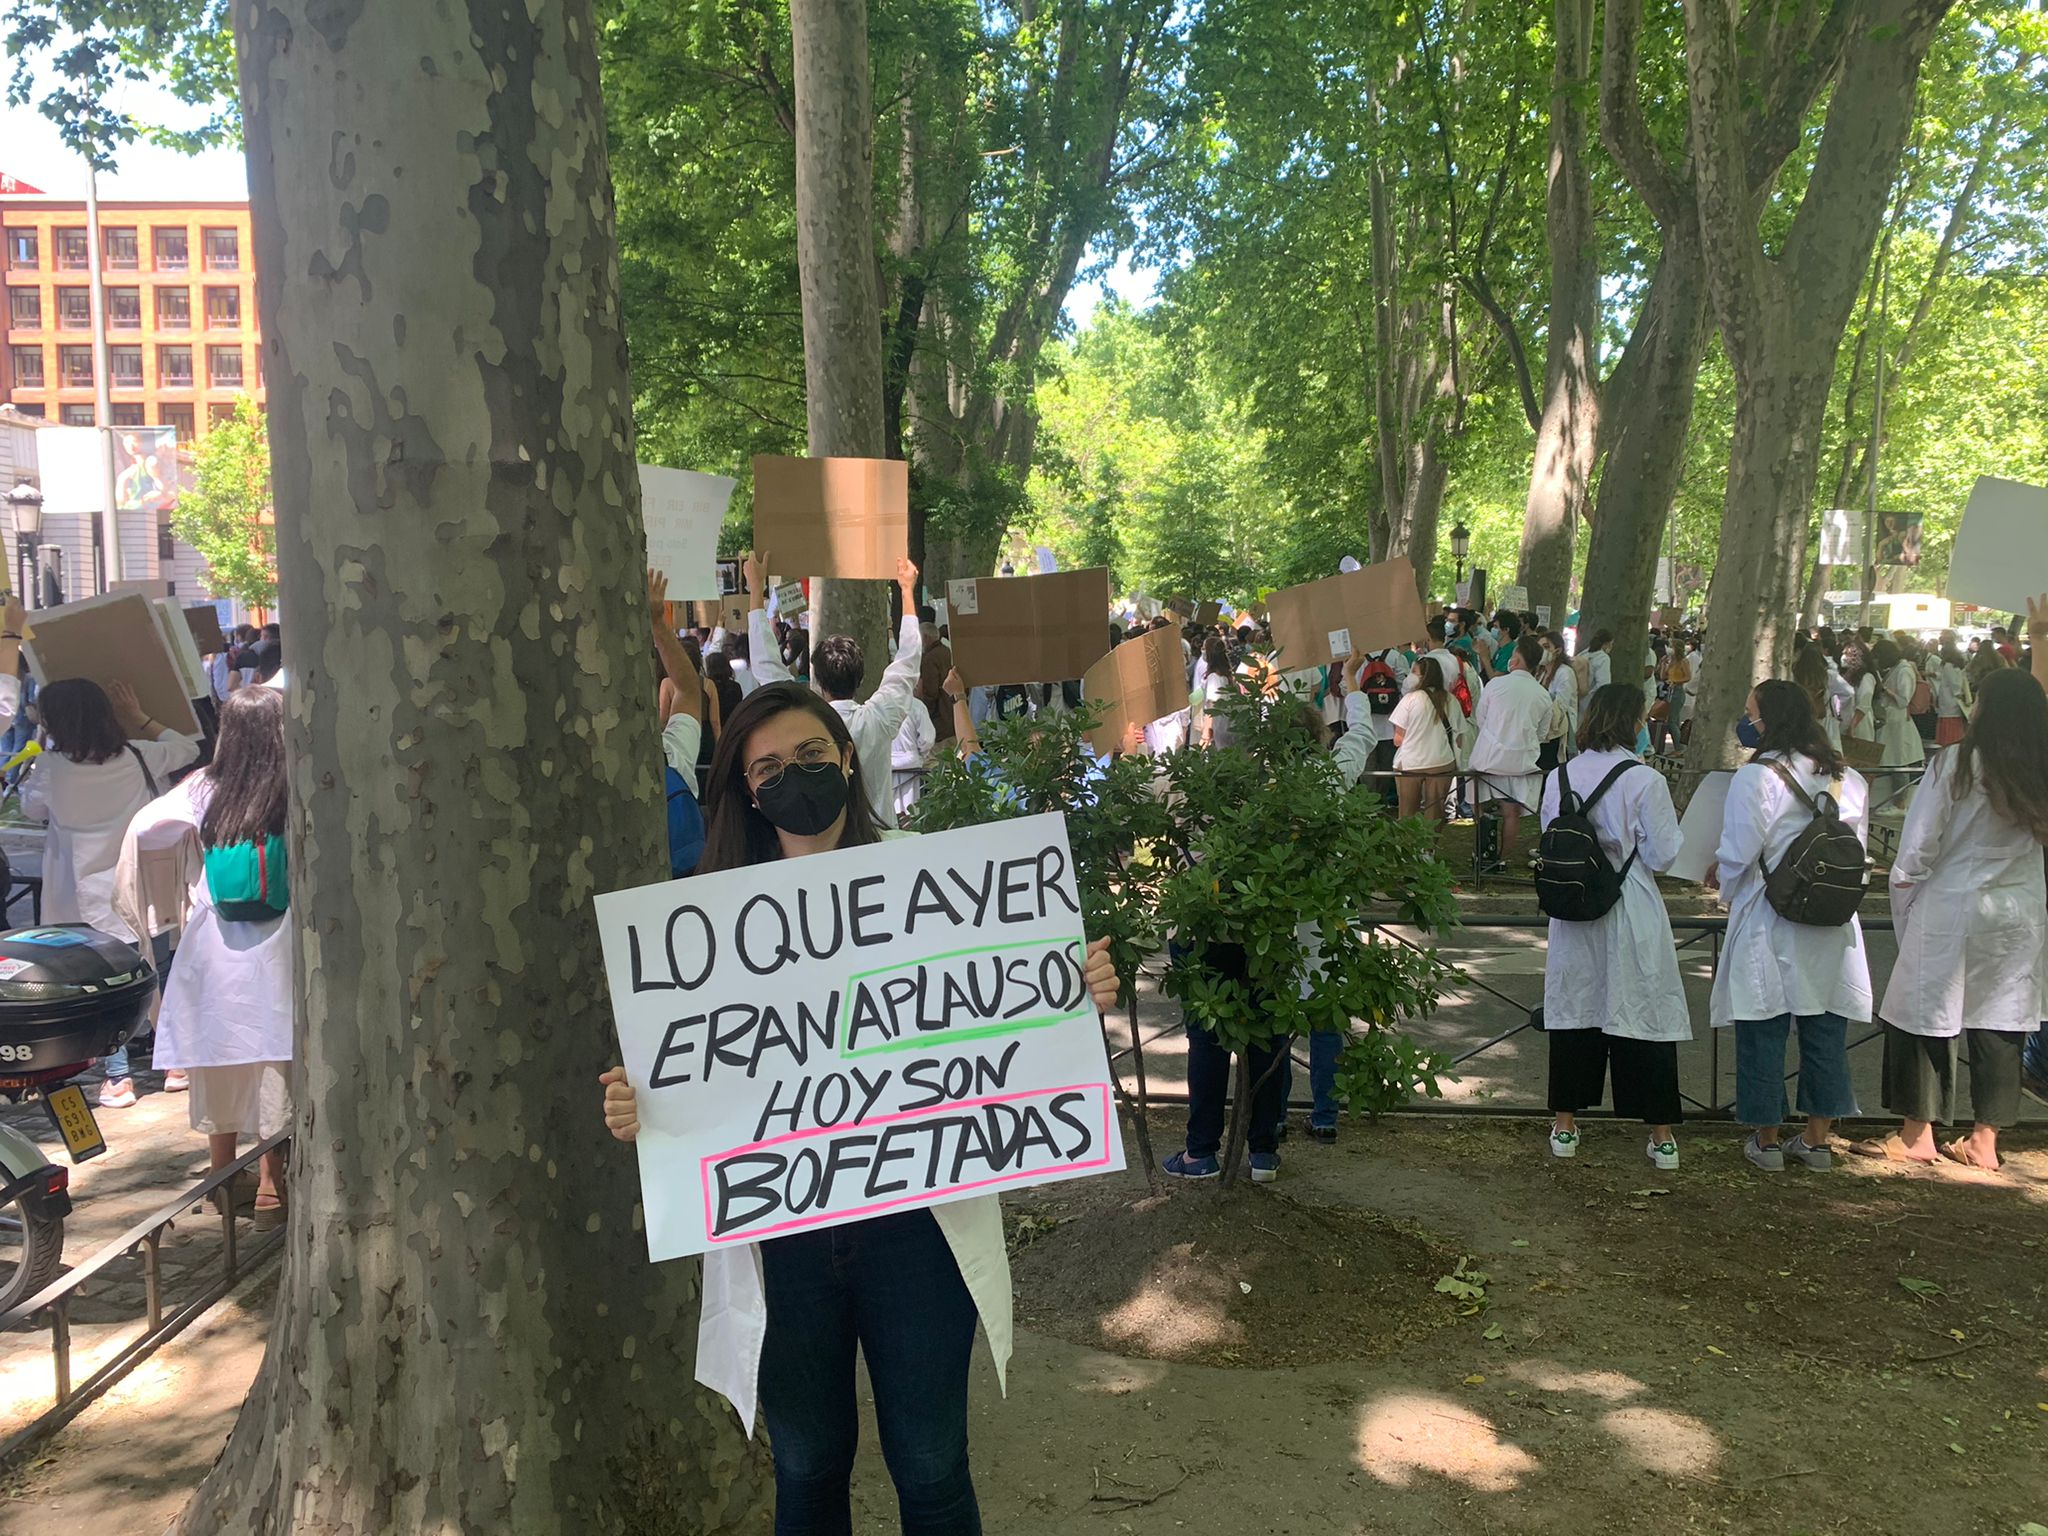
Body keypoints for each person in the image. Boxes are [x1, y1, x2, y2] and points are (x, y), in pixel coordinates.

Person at [597, 683, 1121, 1533]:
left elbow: (1007, 1011)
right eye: (767, 766)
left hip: (919, 1229)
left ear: (847, 758)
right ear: (746, 789)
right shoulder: (704, 922)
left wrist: (1073, 988)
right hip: (782, 1240)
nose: (793, 778)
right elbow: (694, 1080)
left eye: (810, 756)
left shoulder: (938, 878)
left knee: (931, 1465)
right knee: (806, 1467)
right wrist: (641, 1107)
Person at [1866, 667, 2048, 1170]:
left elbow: (1921, 841)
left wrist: (1904, 888)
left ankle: (1917, 1133)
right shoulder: (2039, 765)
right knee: (2002, 1020)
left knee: (1924, 1013)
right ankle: (1984, 1141)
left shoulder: (1958, 763)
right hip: (2019, 910)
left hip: (1952, 902)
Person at [130, 686, 294, 1226]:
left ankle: (222, 1177)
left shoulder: (204, 788)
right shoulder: (296, 783)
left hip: (214, 944)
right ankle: (272, 1188)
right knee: (275, 1059)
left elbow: (147, 829)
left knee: (220, 1059)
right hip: (280, 943)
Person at [1709, 681, 1871, 1172]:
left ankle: (1767, 1138)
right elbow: (1853, 848)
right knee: (1824, 1026)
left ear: (1770, 719)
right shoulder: (1848, 778)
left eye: (1751, 713)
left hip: (1769, 913)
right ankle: (1818, 1140)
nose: (1747, 721)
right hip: (1832, 917)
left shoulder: (1757, 778)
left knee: (1765, 1024)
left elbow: (1739, 852)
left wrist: (1722, 883)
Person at [21, 677, 201, 1107]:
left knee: (98, 985)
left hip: (78, 896)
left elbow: (30, 808)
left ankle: (118, 1079)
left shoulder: (50, 767)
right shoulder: (139, 755)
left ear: (54, 722)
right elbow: (189, 748)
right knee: (153, 972)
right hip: (139, 885)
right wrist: (139, 715)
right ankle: (176, 1063)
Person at [1541, 684, 1689, 1169]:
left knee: (1575, 1008)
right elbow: (1663, 854)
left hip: (1575, 906)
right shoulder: (1644, 780)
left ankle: (1565, 1124)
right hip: (1629, 905)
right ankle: (1661, 1134)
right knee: (1641, 1007)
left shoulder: (1559, 776)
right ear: (1632, 723)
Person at [745, 549, 923, 826]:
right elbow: (909, 660)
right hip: (877, 838)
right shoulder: (878, 719)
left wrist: (756, 590)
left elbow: (765, 664)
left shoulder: (805, 722)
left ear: (818, 681)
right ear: (861, 678)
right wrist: (907, 591)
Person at [1467, 635, 1552, 866]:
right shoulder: (1543, 695)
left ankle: (1484, 846)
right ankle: (1502, 859)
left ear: (1515, 658)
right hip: (1520, 761)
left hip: (1488, 757)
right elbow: (1542, 734)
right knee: (1511, 812)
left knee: (1478, 801)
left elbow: (1481, 718)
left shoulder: (1496, 684)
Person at [1389, 656, 1457, 824]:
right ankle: (1429, 849)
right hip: (1442, 762)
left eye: (1414, 672)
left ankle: (1408, 848)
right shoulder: (1450, 699)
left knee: (1407, 813)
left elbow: (1398, 739)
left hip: (1411, 764)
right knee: (1435, 813)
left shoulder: (1410, 699)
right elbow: (1459, 734)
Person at [1871, 638, 1925, 802]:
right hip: (1892, 721)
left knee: (1899, 762)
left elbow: (1904, 700)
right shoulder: (1896, 668)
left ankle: (1901, 803)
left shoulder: (1904, 670)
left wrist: (1885, 689)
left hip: (1898, 722)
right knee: (1893, 761)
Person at [1538, 636, 1578, 772]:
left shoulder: (1565, 673)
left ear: (1558, 650)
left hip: (1558, 731)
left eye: (1546, 647)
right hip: (1543, 730)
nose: (1542, 651)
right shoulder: (1541, 673)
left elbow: (1561, 705)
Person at [1930, 638, 1972, 748]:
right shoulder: (1957, 665)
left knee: (1948, 719)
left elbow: (1954, 683)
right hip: (1952, 698)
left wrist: (1958, 693)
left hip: (1949, 698)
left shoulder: (1948, 665)